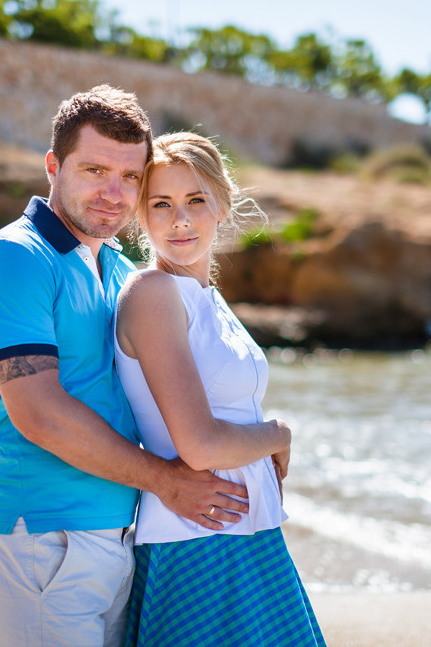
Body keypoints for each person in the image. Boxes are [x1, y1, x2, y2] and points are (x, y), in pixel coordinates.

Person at [0, 86, 258, 647]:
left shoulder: (119, 268)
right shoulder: (15, 258)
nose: (113, 193)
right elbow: (39, 413)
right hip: (45, 537)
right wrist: (166, 481)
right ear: (53, 165)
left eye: (130, 176)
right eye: (95, 169)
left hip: (125, 531)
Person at [114, 132, 325, 646]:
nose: (180, 219)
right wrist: (279, 433)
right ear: (141, 216)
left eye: (195, 201)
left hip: (247, 528)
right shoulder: (153, 294)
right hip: (195, 536)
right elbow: (200, 444)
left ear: (223, 204)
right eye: (161, 204)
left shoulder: (207, 297)